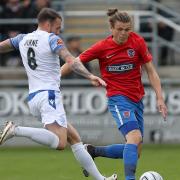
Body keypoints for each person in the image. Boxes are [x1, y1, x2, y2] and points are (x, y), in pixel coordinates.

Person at [0, 8, 117, 180]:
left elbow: (2, 47)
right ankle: (16, 130)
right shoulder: (51, 39)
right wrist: (90, 75)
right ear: (48, 24)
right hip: (49, 96)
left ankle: (101, 179)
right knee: (60, 142)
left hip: (34, 98)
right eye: (57, 27)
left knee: (75, 139)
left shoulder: (22, 39)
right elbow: (72, 61)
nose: (59, 31)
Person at [61, 9, 168, 180]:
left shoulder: (137, 42)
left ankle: (92, 151)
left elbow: (151, 71)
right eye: (120, 29)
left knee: (135, 149)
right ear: (111, 28)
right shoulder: (102, 47)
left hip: (137, 98)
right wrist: (54, 78)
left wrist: (160, 98)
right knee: (134, 136)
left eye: (127, 29)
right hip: (118, 98)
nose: (124, 33)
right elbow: (74, 63)